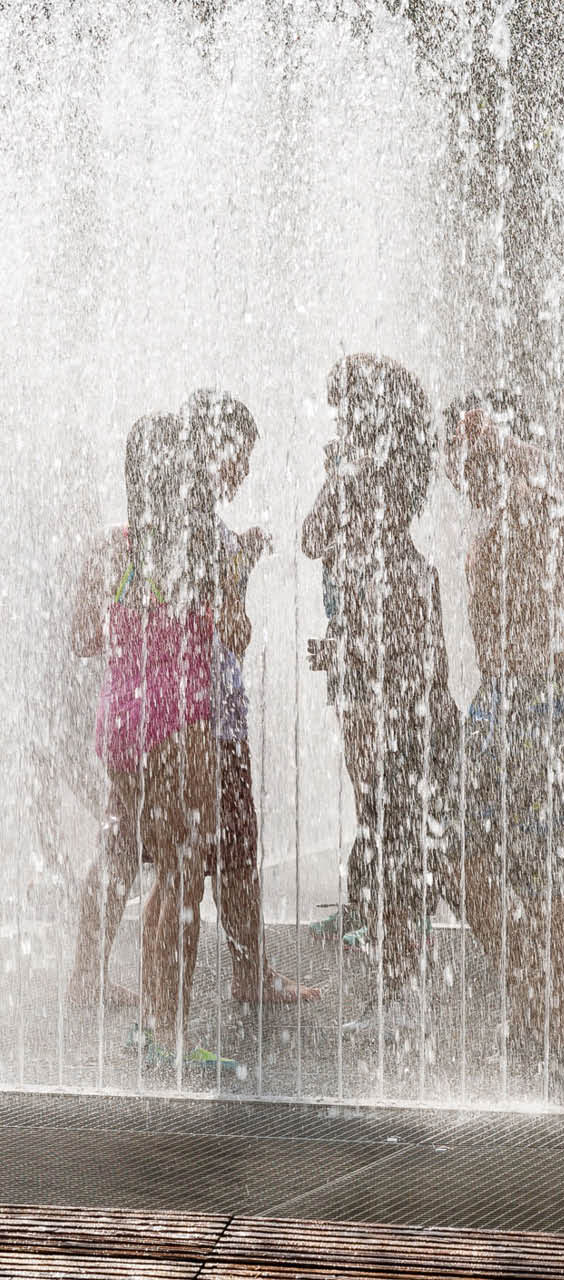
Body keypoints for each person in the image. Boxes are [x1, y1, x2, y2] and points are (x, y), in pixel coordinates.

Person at [303, 354, 458, 1037]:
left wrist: (351, 651)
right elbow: (313, 539)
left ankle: (404, 996)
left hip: (398, 708)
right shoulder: (362, 491)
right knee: (393, 842)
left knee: (396, 848)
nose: (336, 417)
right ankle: (402, 990)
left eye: (344, 404)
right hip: (374, 691)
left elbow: (416, 665)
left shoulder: (395, 556)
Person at [444, 390, 564, 1070]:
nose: (458, 461)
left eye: (468, 446)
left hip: (540, 698)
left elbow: (551, 481)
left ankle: (556, 1019)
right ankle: (533, 999)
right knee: (463, 857)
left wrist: (504, 441)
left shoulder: (530, 506)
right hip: (499, 698)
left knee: (543, 870)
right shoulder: (490, 518)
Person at [75, 414, 221, 1056]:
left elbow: (82, 637)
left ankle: (91, 979)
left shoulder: (115, 547)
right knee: (182, 869)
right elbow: (225, 636)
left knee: (121, 849)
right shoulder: (192, 548)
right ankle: (169, 1029)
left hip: (122, 720)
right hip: (180, 721)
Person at [182, 389, 319, 1006]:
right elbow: (230, 634)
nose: (244, 470)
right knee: (234, 848)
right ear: (219, 446)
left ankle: (164, 1000)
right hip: (210, 717)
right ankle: (247, 981)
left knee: (172, 849)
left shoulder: (174, 520)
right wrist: (240, 569)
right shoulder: (204, 531)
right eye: (242, 455)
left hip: (177, 714)